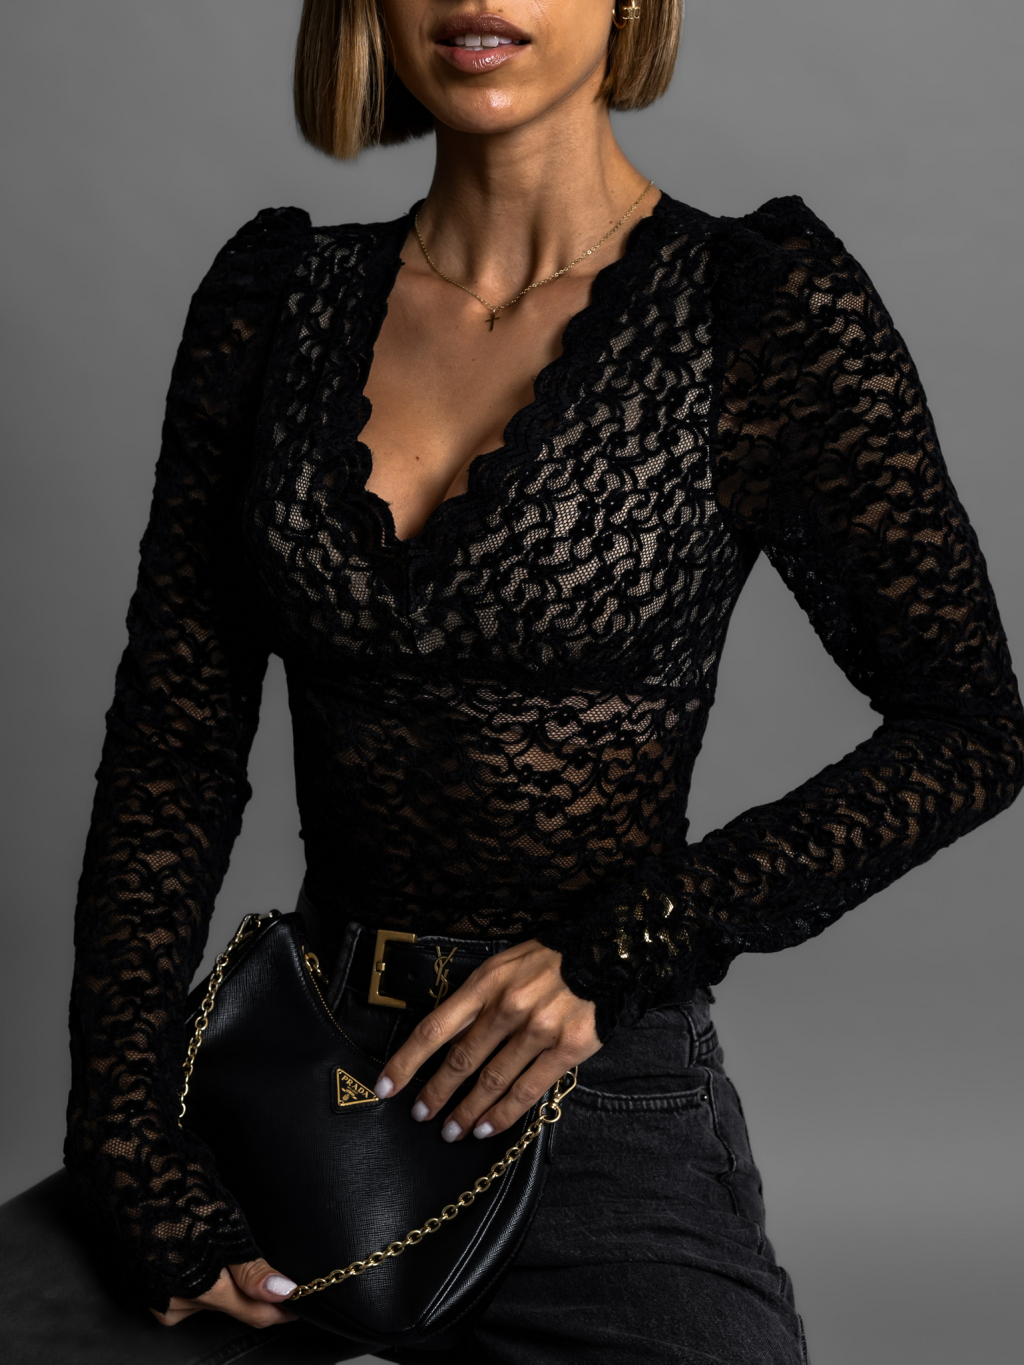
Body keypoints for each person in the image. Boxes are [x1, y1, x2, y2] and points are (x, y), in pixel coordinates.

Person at [2, 1, 1021, 1361]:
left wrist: (630, 948)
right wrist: (130, 1140)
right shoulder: (274, 300)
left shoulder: (759, 308)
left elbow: (970, 727)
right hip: (296, 1071)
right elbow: (171, 753)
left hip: (587, 1102)